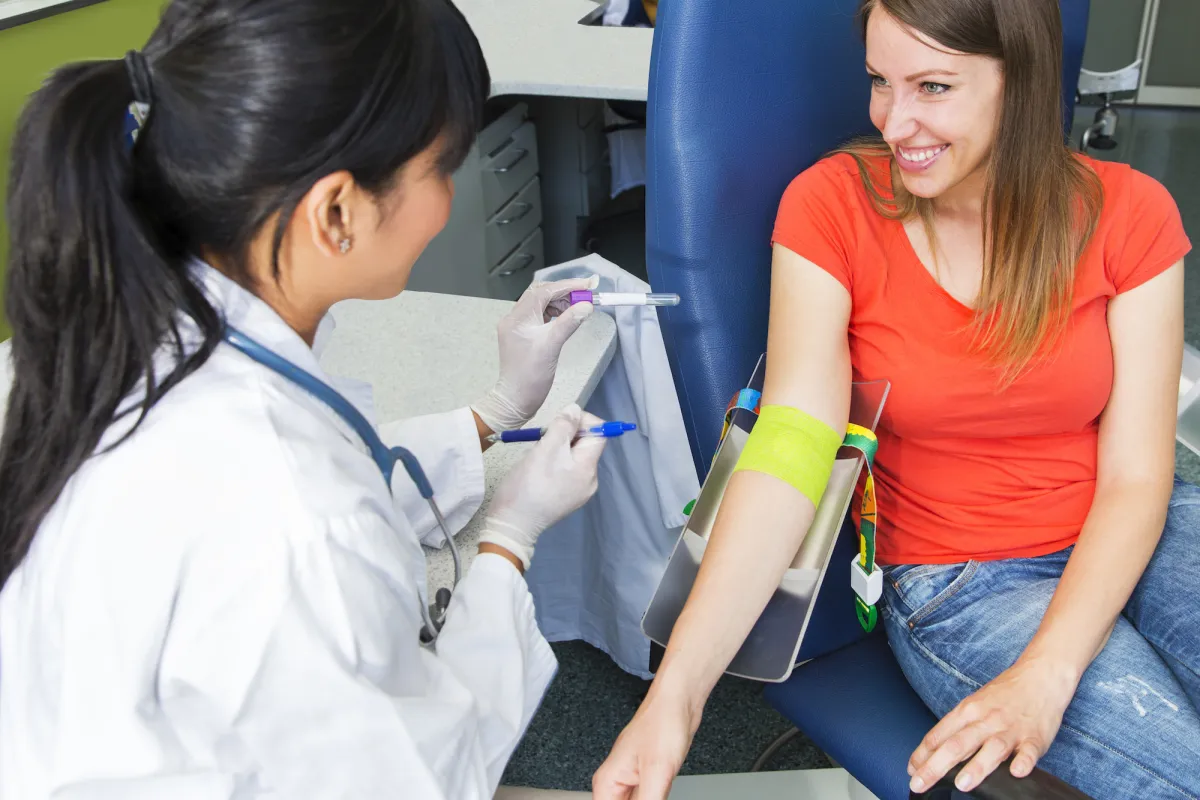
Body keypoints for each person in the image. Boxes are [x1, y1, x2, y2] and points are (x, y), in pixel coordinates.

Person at [0, 1, 605, 797]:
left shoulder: (115, 332)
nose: (447, 198)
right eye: (441, 169)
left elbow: (320, 469)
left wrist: (491, 414)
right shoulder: (294, 520)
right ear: (336, 211)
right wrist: (507, 543)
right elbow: (427, 775)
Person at [594, 0, 1198, 798]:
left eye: (934, 87)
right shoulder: (831, 207)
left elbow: (1137, 478)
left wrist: (1051, 670)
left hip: (1142, 531)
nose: (894, 120)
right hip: (966, 579)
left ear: (1019, 84)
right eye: (881, 82)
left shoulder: (1131, 212)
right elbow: (790, 453)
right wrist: (675, 699)